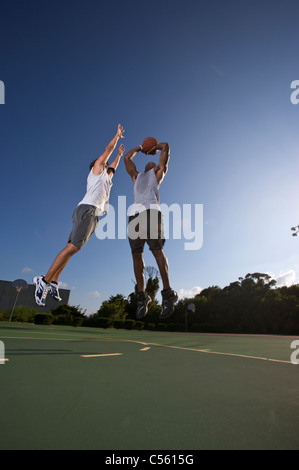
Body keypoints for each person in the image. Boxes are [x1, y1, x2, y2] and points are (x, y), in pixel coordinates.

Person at [33, 124, 125, 307]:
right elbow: (108, 150)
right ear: (96, 166)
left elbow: (113, 166)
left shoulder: (106, 178)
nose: (106, 164)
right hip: (87, 210)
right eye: (104, 163)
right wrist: (117, 137)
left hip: (92, 213)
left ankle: (54, 281)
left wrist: (120, 156)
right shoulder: (96, 171)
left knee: (73, 248)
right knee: (73, 247)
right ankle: (43, 280)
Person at [124, 141, 178, 320]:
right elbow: (126, 158)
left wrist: (155, 147)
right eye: (149, 162)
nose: (151, 163)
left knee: (156, 251)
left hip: (152, 213)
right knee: (136, 255)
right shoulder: (137, 176)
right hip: (135, 216)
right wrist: (140, 147)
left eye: (154, 162)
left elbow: (166, 150)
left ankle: (168, 293)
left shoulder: (157, 175)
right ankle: (142, 296)